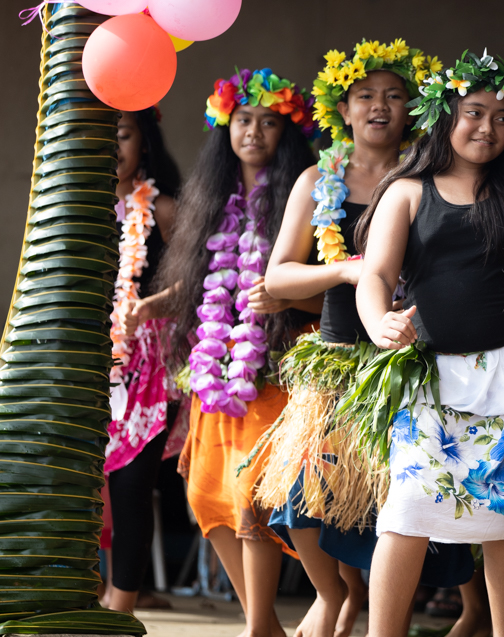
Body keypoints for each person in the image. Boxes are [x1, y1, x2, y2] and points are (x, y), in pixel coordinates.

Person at [252, 38, 476, 637]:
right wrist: (350, 270)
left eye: (395, 96)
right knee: (301, 496)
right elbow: (279, 276)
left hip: (407, 361)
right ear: (342, 110)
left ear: (415, 110)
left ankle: (402, 618)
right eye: (365, 96)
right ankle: (330, 595)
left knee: (405, 505)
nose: (379, 106)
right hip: (336, 357)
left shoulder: (431, 177)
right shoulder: (317, 180)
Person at [350, 49, 504, 637]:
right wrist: (377, 322)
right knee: (406, 515)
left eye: (501, 117)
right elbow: (376, 276)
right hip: (430, 379)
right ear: (444, 116)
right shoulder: (409, 191)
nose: (486, 127)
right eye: (473, 112)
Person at [134, 67, 321, 637]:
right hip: (215, 372)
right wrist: (155, 304)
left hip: (274, 369)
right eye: (244, 120)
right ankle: (259, 622)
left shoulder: (304, 195)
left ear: (286, 133)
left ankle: (260, 624)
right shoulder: (211, 195)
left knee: (251, 500)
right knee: (205, 495)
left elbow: (317, 279)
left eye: (269, 123)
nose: (254, 133)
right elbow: (196, 280)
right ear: (226, 126)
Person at [102, 106, 181, 613]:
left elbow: (193, 282)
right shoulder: (72, 210)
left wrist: (148, 306)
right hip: (83, 361)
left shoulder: (166, 210)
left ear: (144, 142)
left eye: (123, 133)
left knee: (131, 484)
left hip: (148, 365)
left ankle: (123, 603)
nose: (113, 144)